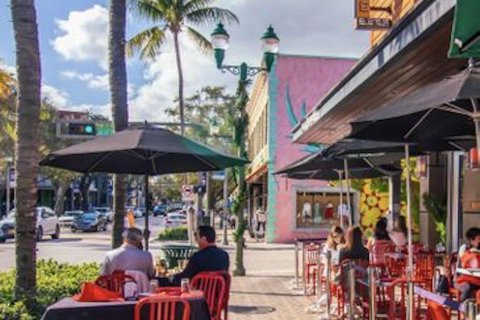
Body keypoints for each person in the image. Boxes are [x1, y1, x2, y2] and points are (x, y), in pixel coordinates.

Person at [455, 227, 480, 301]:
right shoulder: (465, 250)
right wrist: (474, 254)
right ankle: (465, 308)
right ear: (471, 240)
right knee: (467, 288)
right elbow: (465, 264)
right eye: (478, 239)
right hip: (465, 280)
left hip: (478, 280)